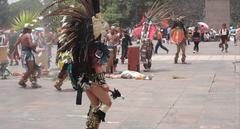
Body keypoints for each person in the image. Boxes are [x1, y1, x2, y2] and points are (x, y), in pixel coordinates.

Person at [42, 1, 122, 128]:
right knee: (107, 103)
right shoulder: (95, 47)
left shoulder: (83, 44)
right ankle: (91, 126)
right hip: (92, 80)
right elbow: (97, 65)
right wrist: (103, 83)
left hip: (83, 80)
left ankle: (91, 126)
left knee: (95, 104)